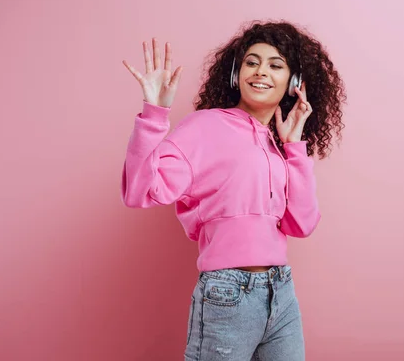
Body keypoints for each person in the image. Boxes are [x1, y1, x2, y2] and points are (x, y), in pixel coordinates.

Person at [121, 21, 345, 360]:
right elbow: (138, 192)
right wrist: (154, 114)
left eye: (275, 65)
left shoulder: (278, 145)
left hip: (280, 291)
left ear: (294, 83)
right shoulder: (205, 127)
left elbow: (302, 224)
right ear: (236, 73)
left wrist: (294, 148)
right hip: (227, 295)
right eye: (252, 62)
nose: (260, 72)